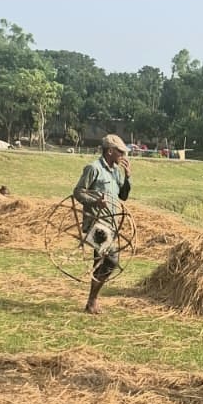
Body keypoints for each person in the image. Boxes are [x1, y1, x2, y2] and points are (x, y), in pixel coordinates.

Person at [72, 134, 132, 314]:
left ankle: (91, 302)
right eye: (120, 152)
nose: (123, 156)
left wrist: (127, 177)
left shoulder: (115, 171)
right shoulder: (93, 168)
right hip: (96, 223)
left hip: (110, 222)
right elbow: (78, 192)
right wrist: (96, 201)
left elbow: (123, 196)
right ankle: (92, 300)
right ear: (110, 151)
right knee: (112, 259)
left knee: (99, 262)